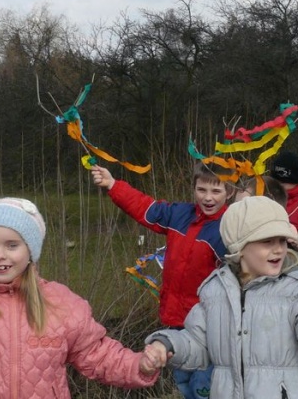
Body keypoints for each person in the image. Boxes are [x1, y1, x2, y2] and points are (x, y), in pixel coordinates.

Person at [145, 196, 298, 398]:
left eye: (282, 241)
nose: (278, 249)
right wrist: (167, 344)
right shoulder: (215, 291)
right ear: (240, 247)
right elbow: (197, 342)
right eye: (267, 242)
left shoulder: (296, 289)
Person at [0, 198, 163, 397]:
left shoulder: (61, 303)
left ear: (31, 250)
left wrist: (140, 366)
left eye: (12, 245)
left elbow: (98, 355)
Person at [91, 162, 235, 398]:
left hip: (208, 327)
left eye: (216, 191)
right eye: (202, 190)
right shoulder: (179, 214)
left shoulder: (230, 228)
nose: (208, 198)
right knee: (183, 385)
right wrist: (112, 184)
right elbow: (145, 207)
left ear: (229, 192)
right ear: (194, 188)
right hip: (174, 320)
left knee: (205, 389)